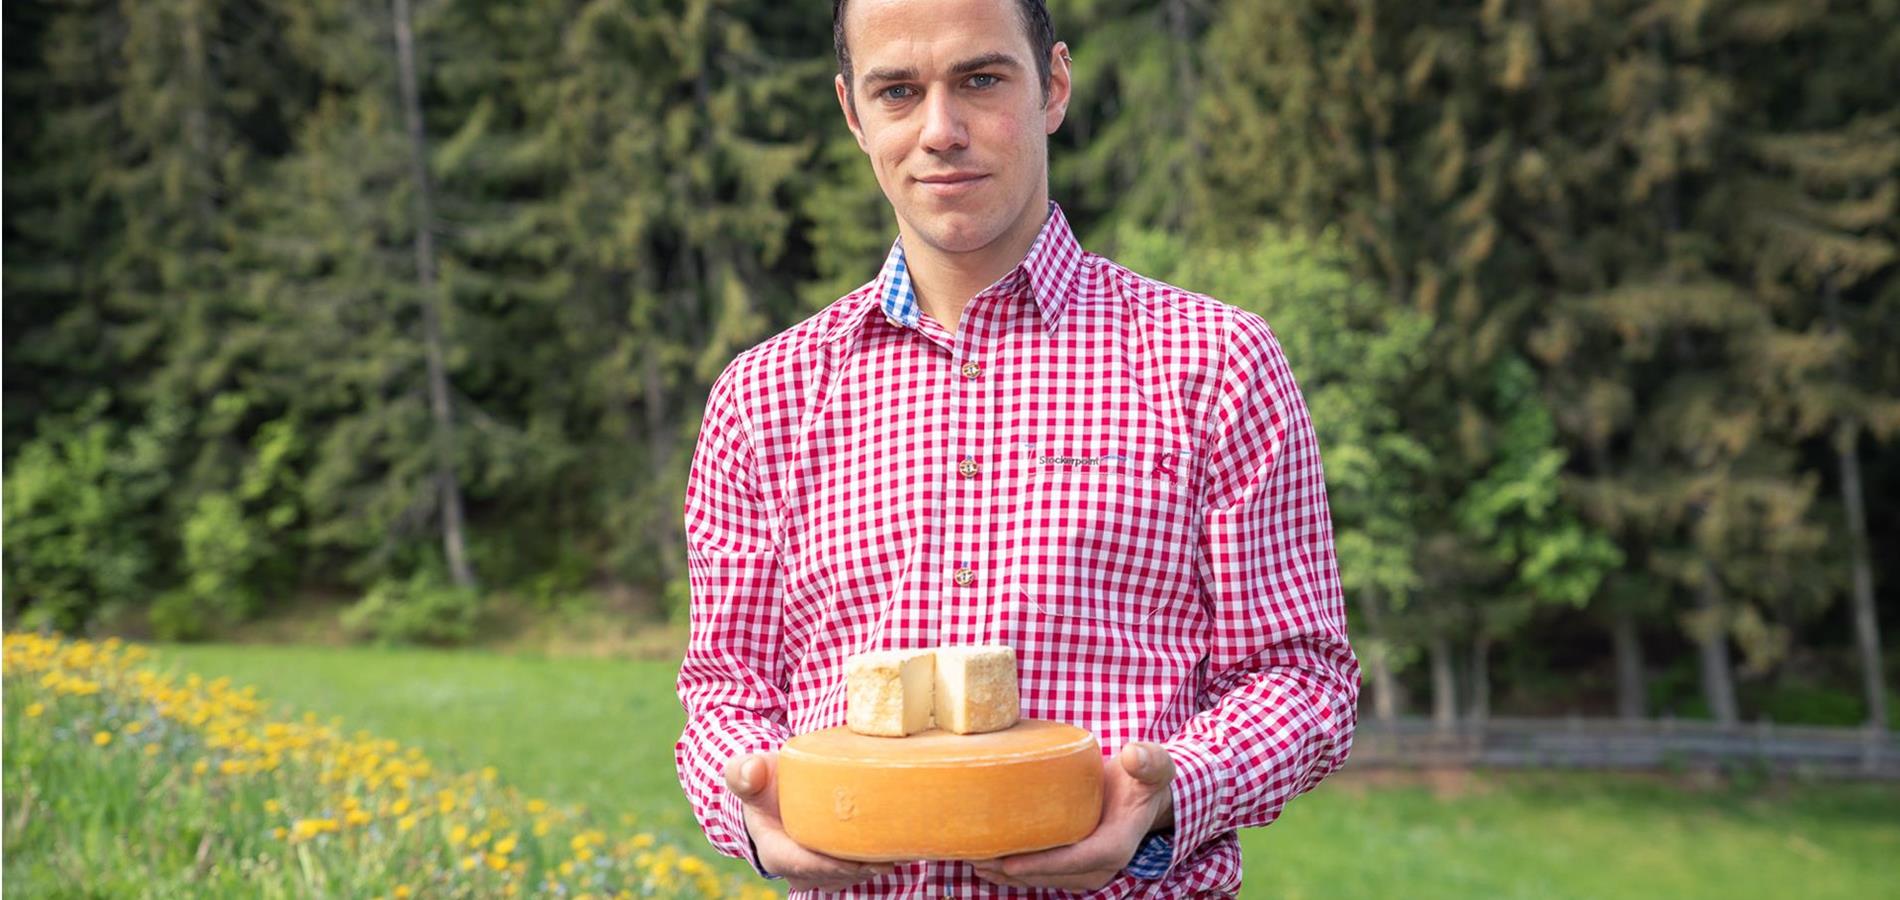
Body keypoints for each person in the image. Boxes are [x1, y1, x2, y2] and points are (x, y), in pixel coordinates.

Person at [674, 0, 1360, 896]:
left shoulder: (1214, 363)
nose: (941, 131)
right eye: (898, 92)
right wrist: (756, 815)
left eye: (981, 80)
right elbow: (726, 691)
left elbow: (1301, 678)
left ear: (1055, 87)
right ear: (854, 114)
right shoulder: (763, 398)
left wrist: (1163, 794)